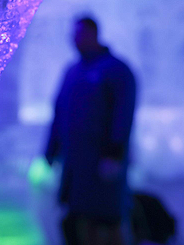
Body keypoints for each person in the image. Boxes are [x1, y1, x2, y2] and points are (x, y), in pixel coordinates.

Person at [45, 17, 137, 245]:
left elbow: (123, 114)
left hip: (102, 162)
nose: (77, 40)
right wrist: (51, 149)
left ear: (94, 34)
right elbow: (59, 112)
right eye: (75, 35)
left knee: (108, 218)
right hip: (75, 162)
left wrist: (113, 153)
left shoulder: (116, 71)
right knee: (80, 218)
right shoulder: (72, 72)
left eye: (82, 34)